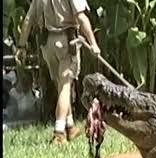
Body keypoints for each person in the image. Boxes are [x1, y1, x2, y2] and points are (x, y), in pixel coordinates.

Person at [16, 0, 101, 144]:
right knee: (65, 86)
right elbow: (81, 17)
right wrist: (93, 44)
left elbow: (28, 19)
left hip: (48, 45)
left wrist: (21, 46)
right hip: (66, 43)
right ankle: (59, 132)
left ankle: (70, 126)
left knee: (60, 85)